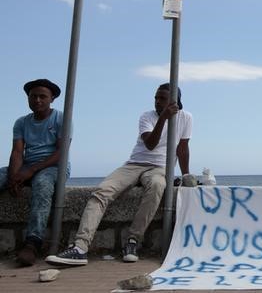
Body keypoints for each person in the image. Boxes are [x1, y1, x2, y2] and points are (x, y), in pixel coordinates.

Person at [46, 83, 192, 266]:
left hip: (160, 167)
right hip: (134, 164)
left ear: (174, 101)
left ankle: (133, 241)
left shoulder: (186, 118)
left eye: (162, 98)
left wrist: (186, 175)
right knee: (101, 192)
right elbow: (150, 144)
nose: (157, 102)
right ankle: (80, 248)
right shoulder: (147, 116)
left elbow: (183, 148)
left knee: (156, 186)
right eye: (156, 97)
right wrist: (163, 118)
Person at [0, 79, 65, 266]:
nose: (37, 100)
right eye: (33, 96)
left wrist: (31, 171)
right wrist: (13, 177)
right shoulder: (21, 122)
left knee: (42, 185)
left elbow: (61, 153)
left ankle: (33, 242)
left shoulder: (61, 118)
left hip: (53, 166)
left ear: (51, 98)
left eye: (42, 96)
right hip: (27, 164)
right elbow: (17, 152)